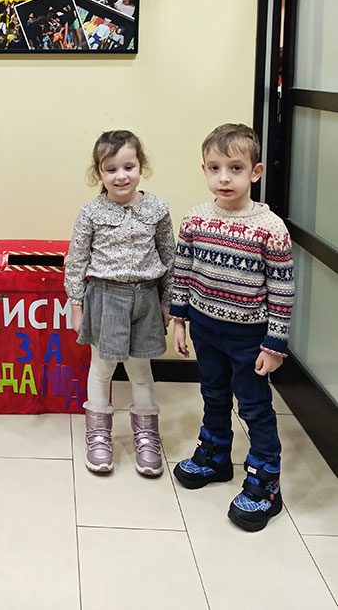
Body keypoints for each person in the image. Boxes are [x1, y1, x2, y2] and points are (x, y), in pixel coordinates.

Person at [170, 124, 294, 532]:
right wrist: (178, 321)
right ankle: (216, 455)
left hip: (249, 337)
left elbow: (282, 290)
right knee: (213, 393)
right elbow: (183, 272)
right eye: (215, 168)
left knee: (255, 406)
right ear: (204, 170)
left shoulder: (271, 228)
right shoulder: (195, 219)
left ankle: (265, 482)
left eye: (235, 168)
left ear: (255, 172)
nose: (224, 178)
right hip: (205, 328)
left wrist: (274, 344)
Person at [64, 130, 175, 477]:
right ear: (99, 173)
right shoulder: (91, 212)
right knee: (103, 367)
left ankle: (147, 437)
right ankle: (98, 436)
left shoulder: (157, 209)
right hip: (106, 297)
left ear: (141, 166)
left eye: (129, 167)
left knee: (141, 370)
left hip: (146, 298)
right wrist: (76, 305)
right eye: (111, 169)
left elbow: (169, 256)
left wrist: (168, 301)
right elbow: (76, 261)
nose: (121, 176)